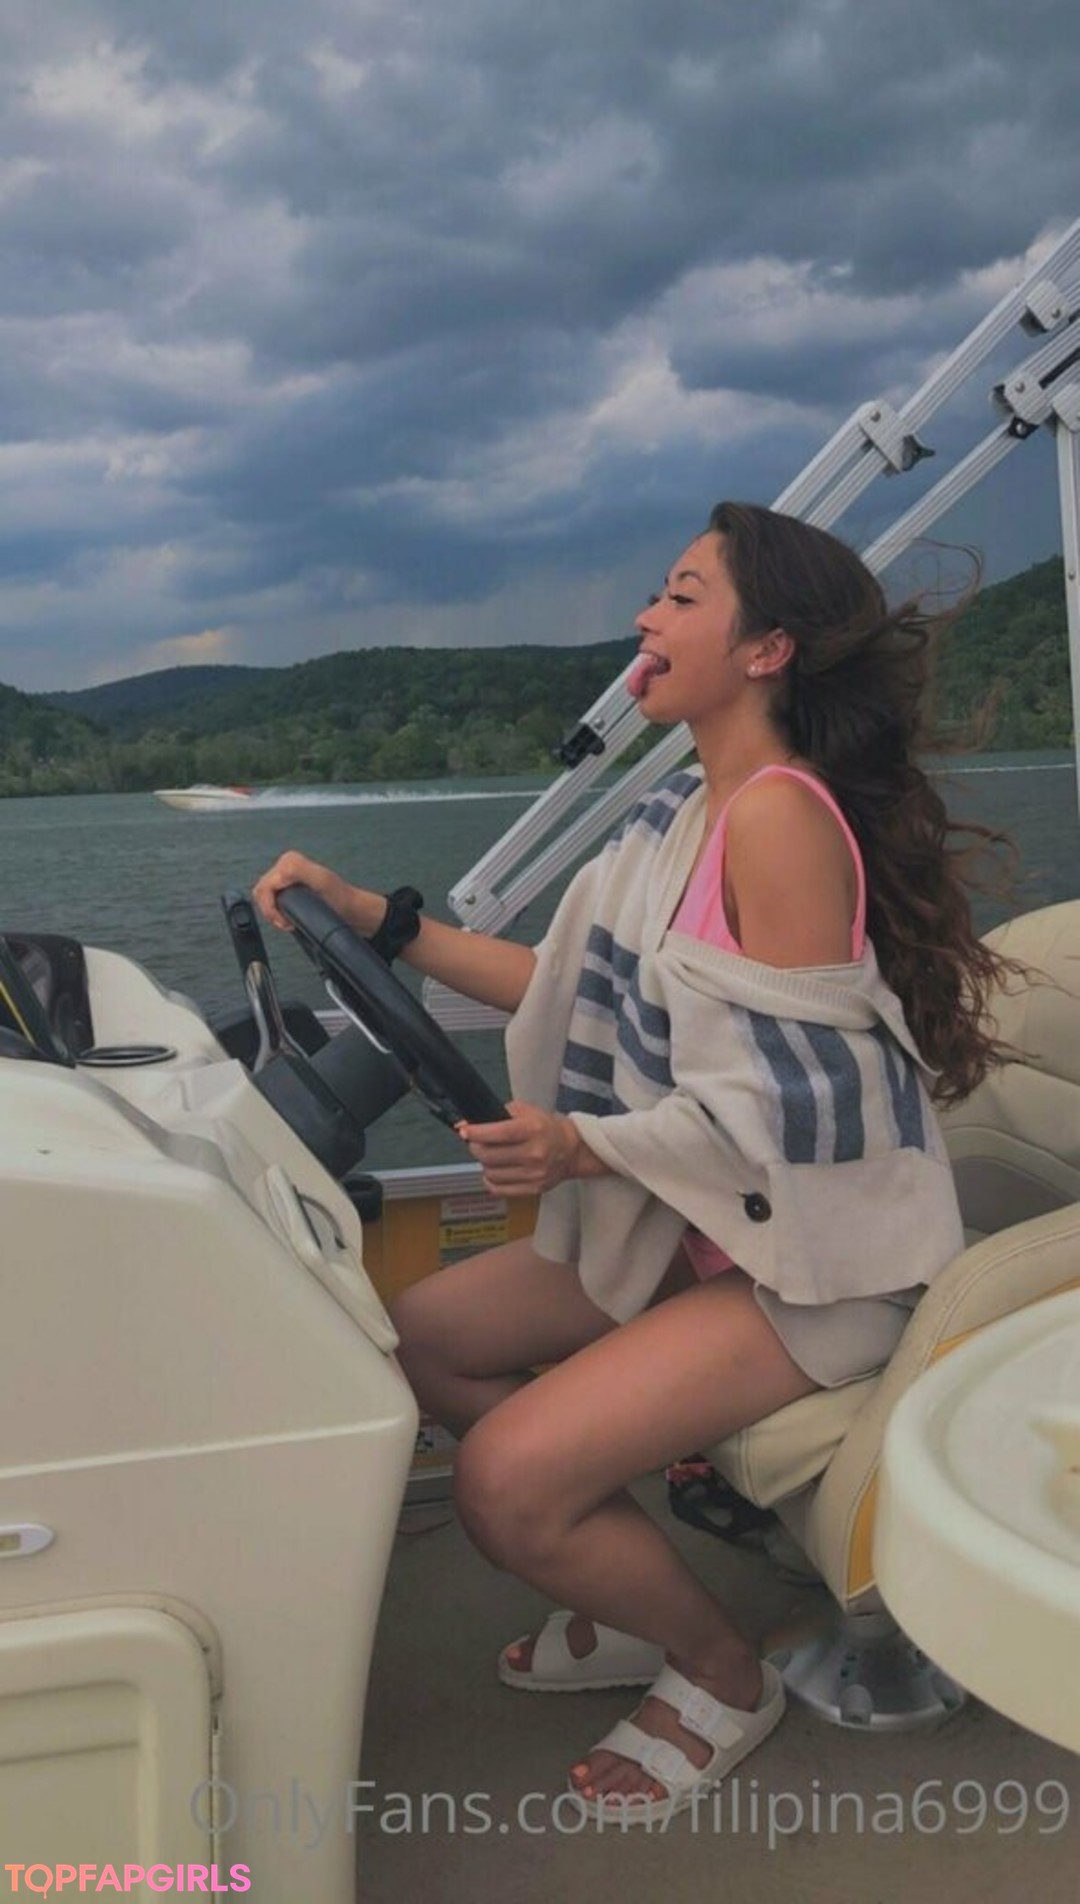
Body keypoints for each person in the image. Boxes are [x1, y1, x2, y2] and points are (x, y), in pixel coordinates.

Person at [253, 500, 1015, 1825]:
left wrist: (579, 1143)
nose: (644, 618)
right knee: (418, 1337)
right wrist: (375, 918)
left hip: (813, 1265)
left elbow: (792, 1106)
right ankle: (617, 1587)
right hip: (705, 1225)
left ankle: (722, 1673)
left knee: (501, 1484)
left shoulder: (778, 821)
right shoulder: (683, 809)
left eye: (679, 595)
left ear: (767, 649)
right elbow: (567, 984)